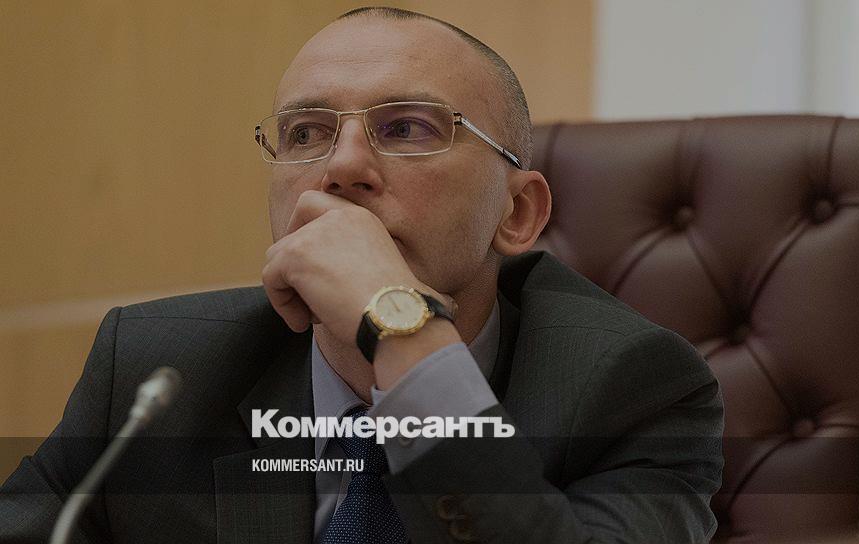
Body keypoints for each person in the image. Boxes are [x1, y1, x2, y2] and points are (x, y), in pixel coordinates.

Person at [0, 7, 724, 543]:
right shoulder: (157, 369)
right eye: (307, 134)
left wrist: (401, 328)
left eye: (407, 128)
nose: (342, 167)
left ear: (518, 213)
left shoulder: (631, 388)